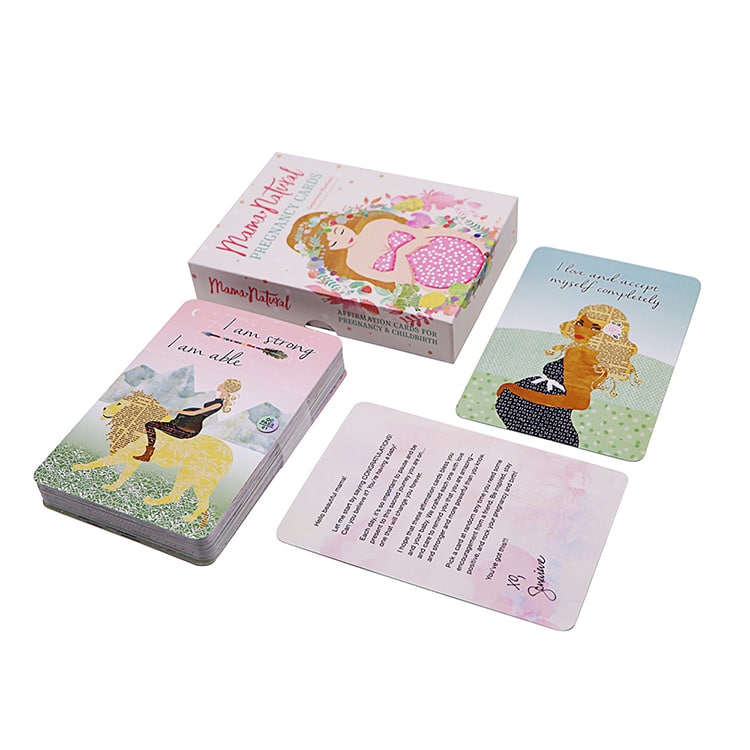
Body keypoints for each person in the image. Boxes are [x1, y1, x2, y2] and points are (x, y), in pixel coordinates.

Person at [495, 304, 640, 447]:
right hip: (544, 426)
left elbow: (578, 402)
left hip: (542, 426)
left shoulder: (580, 354)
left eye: (595, 328)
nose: (581, 329)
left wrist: (516, 390)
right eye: (580, 323)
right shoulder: (596, 360)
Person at [288, 209, 488, 292]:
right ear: (331, 251)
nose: (344, 238)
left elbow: (424, 232)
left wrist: (473, 241)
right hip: (438, 280)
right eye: (334, 243)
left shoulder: (376, 225)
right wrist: (402, 253)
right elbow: (404, 280)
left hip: (451, 249)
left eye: (340, 231)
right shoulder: (354, 263)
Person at [133, 378, 242, 462]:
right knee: (150, 424)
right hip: (183, 425)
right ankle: (147, 453)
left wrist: (173, 410)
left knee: (150, 424)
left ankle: (147, 454)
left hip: (186, 430)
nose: (220, 384)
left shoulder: (218, 404)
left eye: (222, 384)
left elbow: (195, 413)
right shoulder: (218, 400)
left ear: (226, 388)